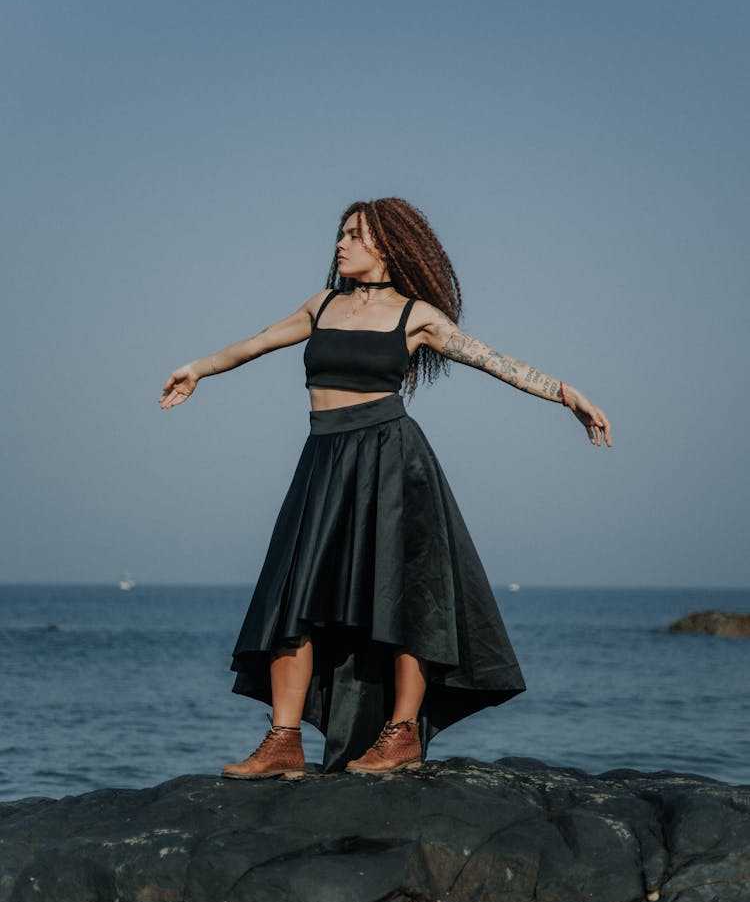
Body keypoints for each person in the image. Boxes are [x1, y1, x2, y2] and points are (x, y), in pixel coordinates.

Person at [160, 198, 611, 780]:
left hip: (392, 461)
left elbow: (497, 362)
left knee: (404, 593)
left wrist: (567, 394)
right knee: (292, 594)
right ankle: (283, 741)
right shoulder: (322, 305)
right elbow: (257, 342)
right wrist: (198, 367)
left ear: (386, 246)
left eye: (354, 234)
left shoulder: (417, 316)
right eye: (342, 233)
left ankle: (401, 735)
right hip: (323, 460)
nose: (341, 244)